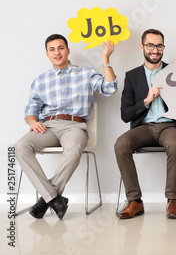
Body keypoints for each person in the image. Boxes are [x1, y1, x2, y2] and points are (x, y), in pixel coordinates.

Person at [15, 34, 117, 219]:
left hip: (75, 126)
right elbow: (31, 108)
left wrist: (106, 60)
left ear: (68, 50)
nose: (57, 52)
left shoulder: (85, 73)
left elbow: (110, 88)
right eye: (52, 49)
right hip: (48, 126)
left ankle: (45, 200)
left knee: (74, 148)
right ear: (47, 54)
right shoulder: (40, 80)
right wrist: (33, 121)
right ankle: (54, 199)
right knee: (21, 146)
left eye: (61, 48)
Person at [115, 28, 176, 219]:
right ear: (142, 47)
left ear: (163, 47)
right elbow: (125, 114)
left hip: (169, 127)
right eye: (150, 45)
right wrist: (146, 100)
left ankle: (172, 201)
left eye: (159, 45)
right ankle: (135, 201)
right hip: (144, 127)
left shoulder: (175, 73)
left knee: (175, 143)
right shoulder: (132, 76)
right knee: (121, 144)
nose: (155, 50)